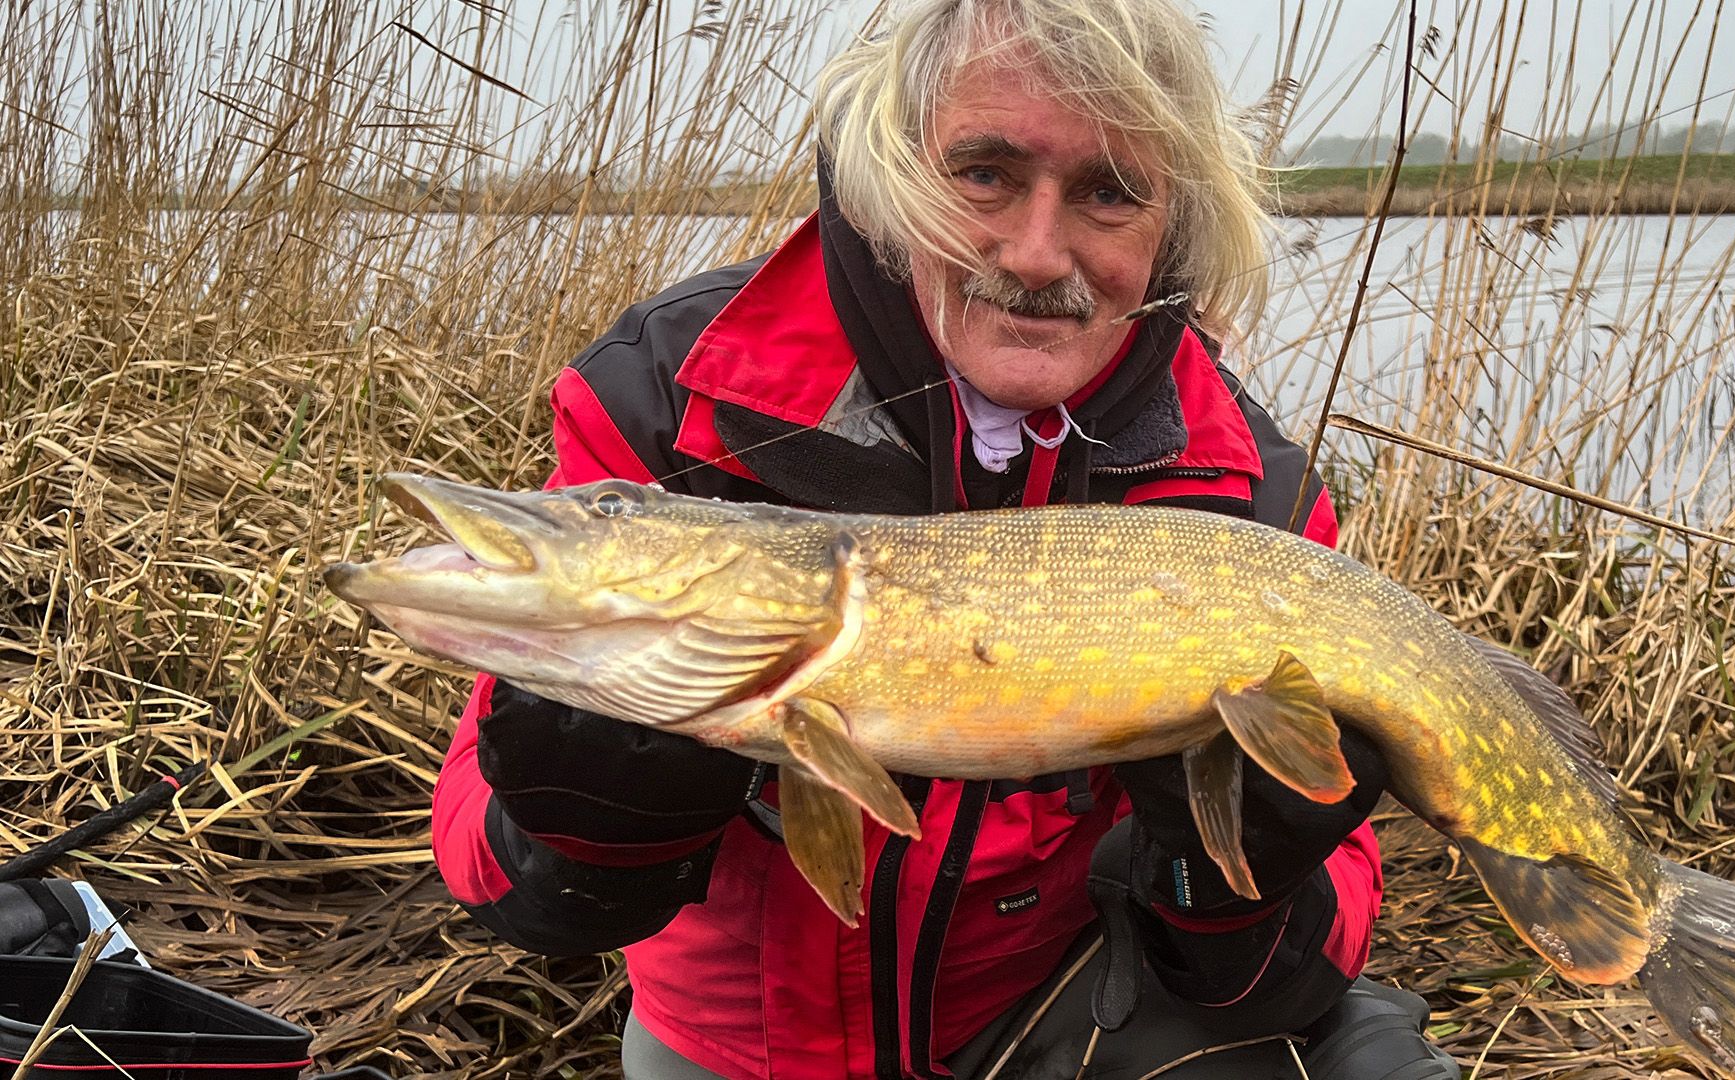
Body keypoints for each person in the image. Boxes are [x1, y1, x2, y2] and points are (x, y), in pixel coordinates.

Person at [430, 1, 1461, 1077]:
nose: (1037, 253)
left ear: (1175, 226)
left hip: (1055, 1010)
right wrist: (584, 827)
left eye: (1111, 192)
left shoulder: (1249, 492)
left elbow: (1328, 938)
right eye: (984, 174)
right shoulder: (670, 395)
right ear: (895, 176)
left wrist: (1231, 883)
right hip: (742, 1048)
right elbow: (480, 862)